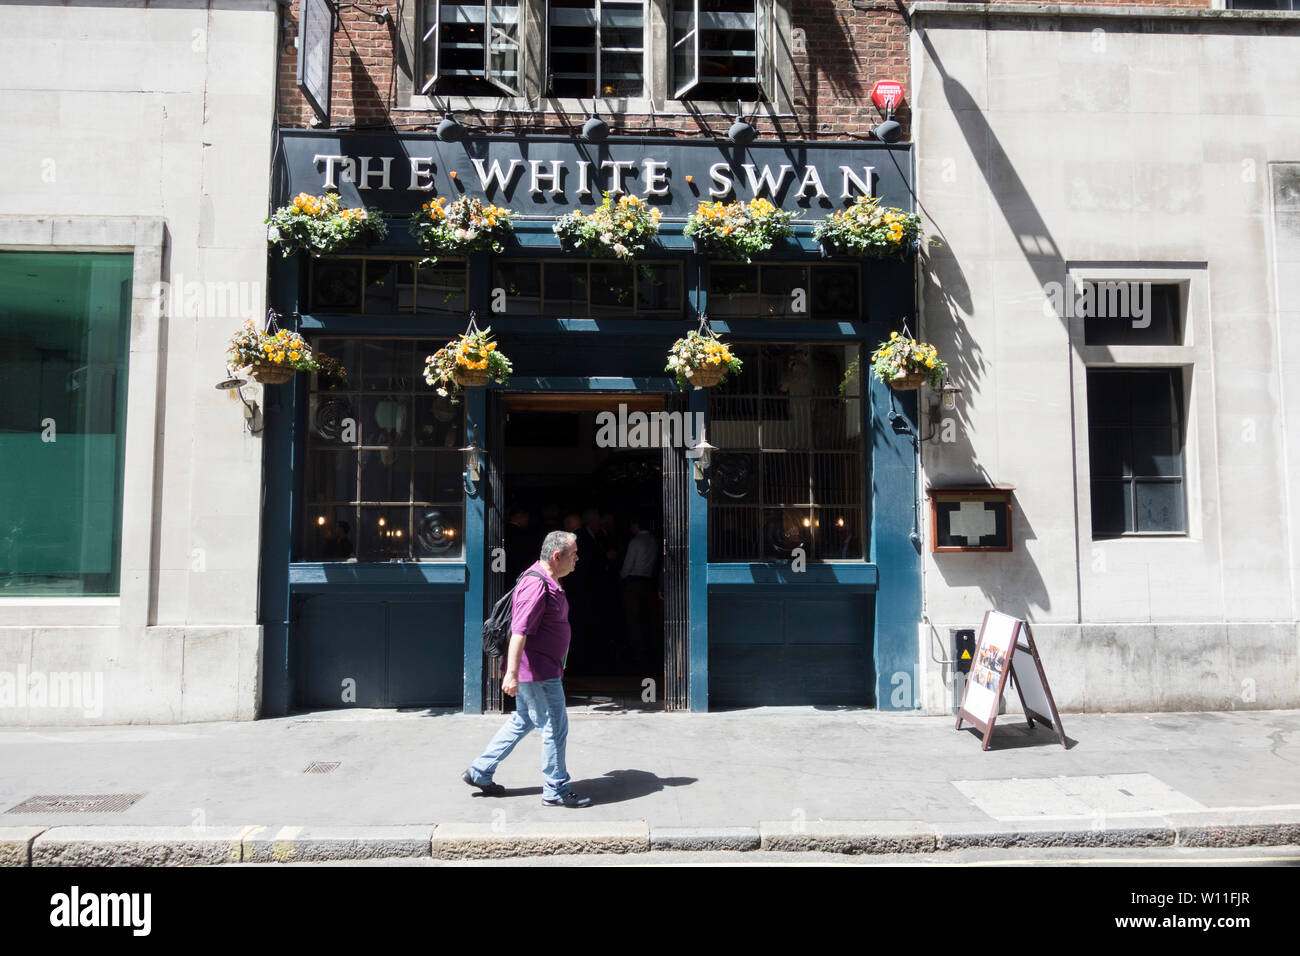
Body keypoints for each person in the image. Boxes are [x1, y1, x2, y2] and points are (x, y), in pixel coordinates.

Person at [462, 531, 593, 808]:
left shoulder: (546, 579)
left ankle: (480, 771)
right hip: (538, 672)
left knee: (523, 720)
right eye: (574, 554)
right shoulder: (537, 586)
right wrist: (510, 673)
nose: (577, 558)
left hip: (538, 669)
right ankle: (556, 789)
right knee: (554, 727)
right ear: (557, 557)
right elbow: (519, 629)